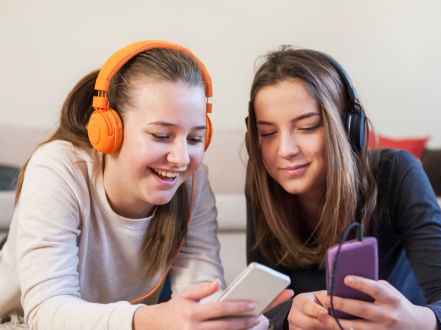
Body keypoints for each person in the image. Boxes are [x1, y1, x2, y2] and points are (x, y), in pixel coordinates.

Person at [0, 41, 291, 330]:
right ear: (108, 131)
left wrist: (233, 319)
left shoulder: (193, 183)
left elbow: (201, 291)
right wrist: (152, 319)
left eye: (194, 139)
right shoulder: (58, 168)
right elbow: (46, 312)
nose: (180, 159)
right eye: (161, 135)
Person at [244, 46, 441, 330]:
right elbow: (267, 304)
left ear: (348, 128)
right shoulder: (262, 180)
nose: (285, 150)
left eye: (306, 127)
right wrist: (286, 315)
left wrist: (417, 322)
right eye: (267, 133)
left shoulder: (396, 171)